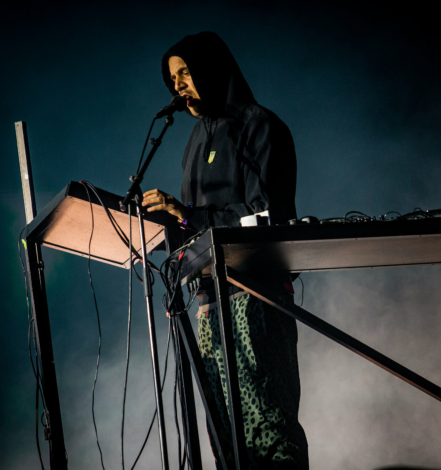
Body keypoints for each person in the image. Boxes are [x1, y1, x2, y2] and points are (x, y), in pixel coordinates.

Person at [141, 31, 308, 470]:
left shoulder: (259, 126)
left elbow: (265, 213)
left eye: (185, 73)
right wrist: (158, 230)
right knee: (226, 435)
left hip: (255, 295)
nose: (177, 86)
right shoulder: (195, 141)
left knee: (267, 426)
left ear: (213, 70)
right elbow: (189, 224)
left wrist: (188, 214)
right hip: (207, 303)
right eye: (171, 78)